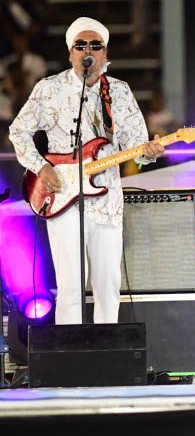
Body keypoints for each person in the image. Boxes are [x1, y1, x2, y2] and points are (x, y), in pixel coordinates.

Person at [9, 17, 165, 324]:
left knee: (108, 284)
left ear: (105, 54)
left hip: (107, 201)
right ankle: (69, 356)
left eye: (96, 45)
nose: (87, 50)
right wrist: (41, 167)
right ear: (70, 53)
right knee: (70, 285)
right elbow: (18, 131)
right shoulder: (49, 89)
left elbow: (137, 145)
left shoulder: (118, 92)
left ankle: (107, 356)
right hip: (62, 197)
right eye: (81, 45)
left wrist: (150, 153)